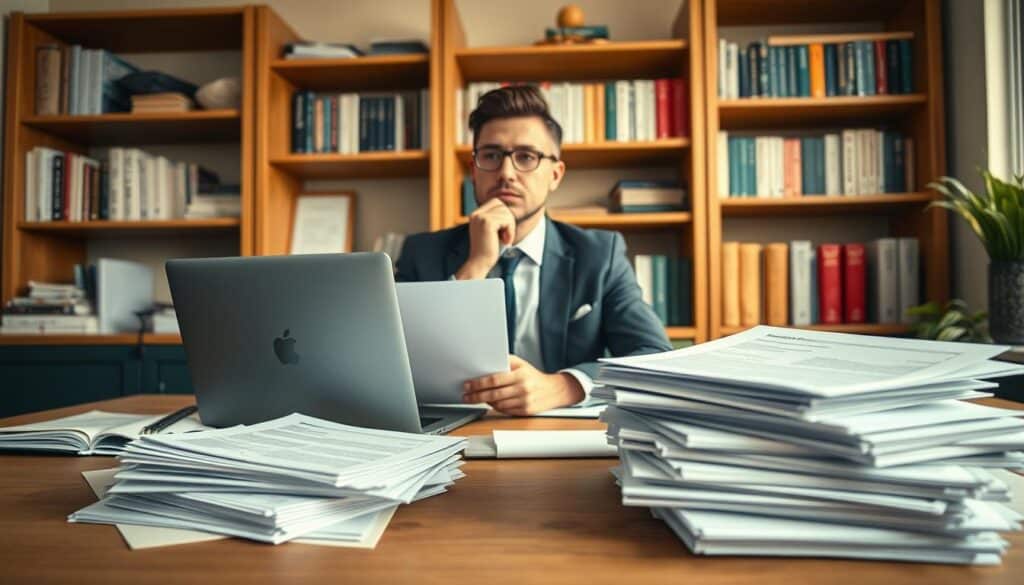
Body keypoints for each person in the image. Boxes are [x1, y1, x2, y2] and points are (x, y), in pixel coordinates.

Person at [396, 85, 671, 415]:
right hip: (449, 437)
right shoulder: (420, 252)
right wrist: (476, 265)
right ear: (473, 171)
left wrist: (565, 385)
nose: (506, 173)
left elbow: (653, 354)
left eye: (526, 157)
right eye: (491, 156)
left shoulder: (599, 254)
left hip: (556, 436)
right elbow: (395, 365)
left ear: (555, 174)